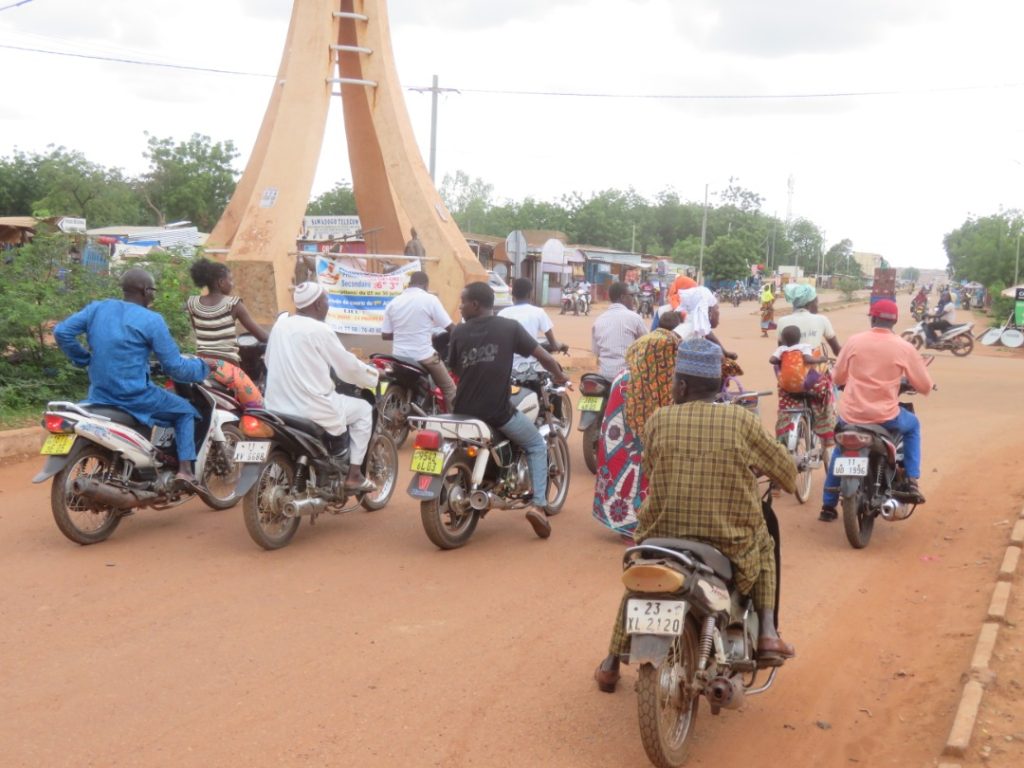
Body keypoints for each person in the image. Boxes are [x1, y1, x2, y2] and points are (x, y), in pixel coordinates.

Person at [594, 338, 798, 693]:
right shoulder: (740, 420)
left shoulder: (659, 420)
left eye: (674, 380)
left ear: (683, 386)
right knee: (764, 544)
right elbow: (788, 476)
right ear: (719, 386)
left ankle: (612, 662)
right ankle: (767, 633)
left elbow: (653, 468)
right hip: (726, 543)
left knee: (642, 577)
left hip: (662, 536)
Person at [54, 268, 214, 485]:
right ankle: (185, 471)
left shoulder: (98, 308)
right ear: (146, 291)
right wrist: (203, 367)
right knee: (186, 412)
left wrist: (83, 359)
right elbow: (176, 368)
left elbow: (62, 332)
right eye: (153, 290)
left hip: (100, 395)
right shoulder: (152, 320)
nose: (154, 295)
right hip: (136, 397)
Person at [447, 282, 571, 539]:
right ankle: (538, 504)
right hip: (496, 411)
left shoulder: (459, 332)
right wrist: (559, 376)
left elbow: (456, 369)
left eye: (462, 302)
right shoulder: (509, 329)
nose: (460, 307)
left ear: (475, 304)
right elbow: (545, 358)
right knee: (536, 444)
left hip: (462, 410)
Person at [819, 300, 933, 522]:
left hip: (850, 415)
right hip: (886, 418)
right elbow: (925, 387)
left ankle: (827, 505)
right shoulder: (904, 347)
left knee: (841, 449)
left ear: (872, 318)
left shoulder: (854, 342)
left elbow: (837, 377)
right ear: (896, 321)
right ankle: (911, 478)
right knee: (913, 426)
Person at [264, 282, 380, 492]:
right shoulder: (319, 329)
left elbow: (269, 360)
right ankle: (354, 475)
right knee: (363, 410)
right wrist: (373, 376)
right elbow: (348, 367)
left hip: (276, 405)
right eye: (327, 300)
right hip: (311, 406)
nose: (328, 305)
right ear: (318, 304)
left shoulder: (280, 325)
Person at [592, 311, 682, 538]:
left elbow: (610, 426)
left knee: (629, 483)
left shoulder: (623, 378)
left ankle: (627, 527)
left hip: (621, 450)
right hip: (641, 448)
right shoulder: (670, 381)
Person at [186, 258, 268, 409]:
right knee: (259, 407)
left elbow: (199, 330)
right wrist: (277, 337)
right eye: (230, 280)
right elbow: (262, 336)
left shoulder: (192, 303)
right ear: (220, 282)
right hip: (225, 369)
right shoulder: (233, 304)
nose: (232, 284)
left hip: (200, 365)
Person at [380, 270, 457, 408]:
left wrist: (404, 333)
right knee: (449, 387)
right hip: (423, 356)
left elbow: (385, 335)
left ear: (410, 284)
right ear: (426, 285)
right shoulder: (429, 299)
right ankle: (455, 423)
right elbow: (450, 328)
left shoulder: (394, 302)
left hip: (398, 356)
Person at [498, 278, 568, 367]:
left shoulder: (502, 313)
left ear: (512, 294)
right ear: (530, 294)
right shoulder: (538, 312)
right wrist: (562, 345)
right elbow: (553, 345)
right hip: (529, 367)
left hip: (507, 367)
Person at [592, 281, 649, 380]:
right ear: (622, 297)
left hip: (603, 375)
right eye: (631, 295)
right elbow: (648, 344)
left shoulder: (599, 320)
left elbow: (596, 352)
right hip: (627, 376)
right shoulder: (634, 318)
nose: (633, 299)